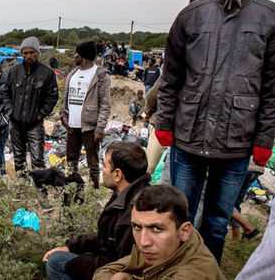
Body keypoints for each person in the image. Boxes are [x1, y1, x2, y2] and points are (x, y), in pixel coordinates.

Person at [154, 0, 275, 262]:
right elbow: (171, 78)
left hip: (238, 143)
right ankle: (174, 268)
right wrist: (164, 123)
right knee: (179, 215)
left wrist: (263, 139)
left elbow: (273, 89)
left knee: (216, 220)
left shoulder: (272, 19)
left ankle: (204, 270)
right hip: (188, 136)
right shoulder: (192, 15)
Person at [44, 142, 151, 280]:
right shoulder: (128, 193)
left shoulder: (132, 215)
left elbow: (120, 264)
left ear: (117, 174)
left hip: (115, 271)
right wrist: (72, 247)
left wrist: (80, 262)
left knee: (55, 262)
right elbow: (106, 236)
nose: (102, 169)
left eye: (105, 165)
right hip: (109, 261)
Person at [94, 185, 224, 280]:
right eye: (137, 226)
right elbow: (104, 271)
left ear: (185, 231)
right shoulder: (163, 246)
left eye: (156, 229)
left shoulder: (192, 274)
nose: (143, 242)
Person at [2, 36, 59, 173]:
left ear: (37, 53)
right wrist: (10, 111)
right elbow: (6, 93)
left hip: (35, 126)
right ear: (22, 54)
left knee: (37, 161)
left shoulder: (47, 73)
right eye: (25, 53)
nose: (28, 56)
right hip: (16, 125)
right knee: (19, 161)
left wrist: (40, 115)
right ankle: (21, 192)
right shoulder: (14, 72)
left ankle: (39, 192)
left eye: (31, 52)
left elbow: (52, 97)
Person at [59, 41, 110, 188]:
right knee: (71, 161)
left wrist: (100, 128)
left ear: (83, 56)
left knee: (92, 163)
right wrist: (63, 115)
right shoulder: (72, 74)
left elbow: (105, 104)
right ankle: (73, 188)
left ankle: (93, 192)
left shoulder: (100, 75)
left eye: (77, 54)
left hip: (90, 127)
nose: (74, 56)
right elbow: (65, 98)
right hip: (72, 126)